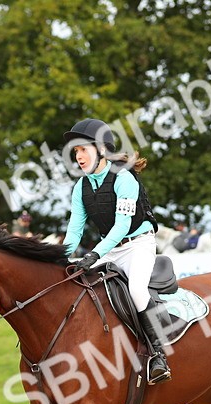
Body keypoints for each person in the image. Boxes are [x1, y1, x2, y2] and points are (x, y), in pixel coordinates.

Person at [62, 117, 169, 384]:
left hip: (138, 245)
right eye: (76, 152)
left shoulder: (124, 178)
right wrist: (59, 259)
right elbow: (74, 231)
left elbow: (122, 226)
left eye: (83, 150)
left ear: (100, 150)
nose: (79, 157)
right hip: (109, 250)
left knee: (136, 291)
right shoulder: (81, 187)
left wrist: (96, 254)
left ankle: (158, 356)